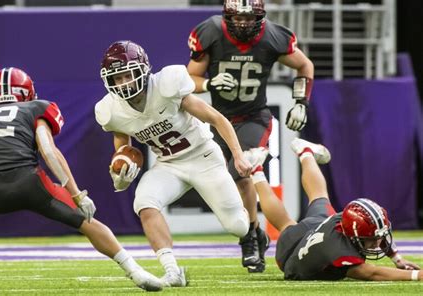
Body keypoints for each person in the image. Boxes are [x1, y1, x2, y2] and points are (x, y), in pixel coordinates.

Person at [0, 67, 163, 293]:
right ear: (26, 92)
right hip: (31, 185)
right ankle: (136, 272)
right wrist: (76, 194)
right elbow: (49, 152)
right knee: (89, 224)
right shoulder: (35, 108)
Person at [95, 40, 254, 287]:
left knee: (237, 226)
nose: (124, 83)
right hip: (169, 164)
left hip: (203, 157)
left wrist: (239, 154)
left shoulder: (167, 85)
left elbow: (216, 117)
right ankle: (172, 271)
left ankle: (253, 230)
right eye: (117, 78)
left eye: (128, 74)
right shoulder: (111, 110)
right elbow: (122, 139)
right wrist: (121, 164)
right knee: (144, 203)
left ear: (143, 69)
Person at [187, 0, 314, 272]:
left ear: (260, 17)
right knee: (227, 181)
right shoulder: (211, 32)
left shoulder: (272, 36)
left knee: (243, 170)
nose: (243, 23)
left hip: (253, 117)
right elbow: (190, 79)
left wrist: (301, 102)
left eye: (249, 18)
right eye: (238, 18)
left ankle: (250, 237)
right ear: (227, 16)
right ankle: (254, 233)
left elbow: (305, 66)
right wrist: (209, 83)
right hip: (219, 120)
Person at [255, 137, 421, 281]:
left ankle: (305, 152)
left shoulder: (344, 219)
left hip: (323, 228)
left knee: (319, 195)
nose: (377, 243)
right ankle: (256, 171)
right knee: (285, 224)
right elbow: (372, 273)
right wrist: (417, 276)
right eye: (370, 239)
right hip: (291, 252)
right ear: (352, 235)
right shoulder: (339, 252)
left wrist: (397, 259)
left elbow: (376, 231)